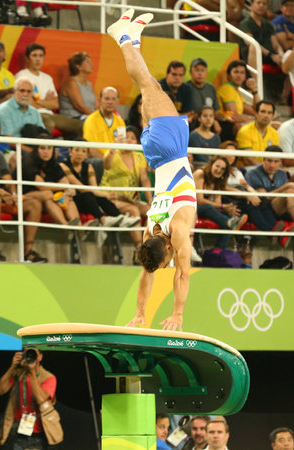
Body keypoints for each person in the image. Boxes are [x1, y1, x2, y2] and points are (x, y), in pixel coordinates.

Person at [108, 8, 196, 331]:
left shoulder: (178, 229)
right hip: (156, 155)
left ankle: (122, 36)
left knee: (148, 85)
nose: (168, 262)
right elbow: (147, 272)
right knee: (148, 91)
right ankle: (135, 39)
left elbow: (182, 273)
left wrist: (179, 315)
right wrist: (141, 314)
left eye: (168, 258)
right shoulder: (149, 235)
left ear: (169, 247)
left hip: (169, 149)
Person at [0, 121, 47, 262]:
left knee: (34, 204)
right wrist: (1, 192)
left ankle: (28, 252)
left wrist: (13, 194)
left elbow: (7, 179)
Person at [245, 146, 294, 247]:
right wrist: (288, 186)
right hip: (267, 208)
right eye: (269, 161)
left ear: (281, 162)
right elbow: (263, 198)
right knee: (290, 189)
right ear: (263, 160)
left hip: (287, 207)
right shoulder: (253, 173)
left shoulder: (282, 174)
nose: (272, 165)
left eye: (276, 161)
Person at [101, 125, 152, 259]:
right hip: (111, 197)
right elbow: (106, 165)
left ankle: (147, 246)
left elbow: (144, 179)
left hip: (130, 199)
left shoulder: (140, 157)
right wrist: (114, 147)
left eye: (132, 138)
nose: (129, 141)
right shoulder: (113, 152)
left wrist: (150, 200)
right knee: (134, 210)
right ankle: (139, 249)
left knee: (151, 211)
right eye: (126, 137)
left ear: (137, 142)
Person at [0, 348, 60, 448]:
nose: (29, 356)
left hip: (39, 434)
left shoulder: (48, 377)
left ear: (40, 357)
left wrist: (32, 373)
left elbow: (41, 400)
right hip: (16, 431)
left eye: (33, 353)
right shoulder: (18, 374)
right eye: (26, 352)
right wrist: (12, 367)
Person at [16, 43, 83, 137]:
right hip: (33, 114)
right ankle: (43, 151)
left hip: (51, 114)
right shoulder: (22, 76)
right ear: (28, 58)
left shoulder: (47, 78)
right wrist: (46, 102)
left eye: (40, 56)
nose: (38, 59)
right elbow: (27, 104)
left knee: (80, 125)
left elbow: (56, 104)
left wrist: (37, 101)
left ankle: (75, 151)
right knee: (49, 123)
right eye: (34, 55)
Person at [21, 134, 82, 227]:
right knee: (48, 194)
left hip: (46, 199)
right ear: (36, 149)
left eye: (49, 148)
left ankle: (78, 228)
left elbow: (66, 183)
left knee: (68, 198)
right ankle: (66, 227)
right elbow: (41, 186)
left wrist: (67, 192)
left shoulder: (53, 163)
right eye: (42, 148)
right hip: (24, 197)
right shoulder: (28, 162)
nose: (46, 152)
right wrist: (65, 187)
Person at [194, 156, 248, 249]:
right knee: (208, 207)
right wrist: (223, 206)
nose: (219, 170)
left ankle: (218, 250)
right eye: (217, 166)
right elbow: (200, 200)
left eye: (222, 169)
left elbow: (217, 204)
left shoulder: (218, 180)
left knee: (227, 221)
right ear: (211, 165)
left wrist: (227, 209)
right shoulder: (200, 174)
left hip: (203, 210)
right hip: (191, 209)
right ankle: (230, 223)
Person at [217, 60, 259, 139]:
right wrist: (256, 120)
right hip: (225, 125)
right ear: (228, 75)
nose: (239, 75)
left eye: (242, 73)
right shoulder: (227, 89)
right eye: (236, 72)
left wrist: (254, 90)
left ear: (245, 76)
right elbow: (234, 116)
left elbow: (256, 111)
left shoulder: (236, 92)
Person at [240, 0, 284, 70]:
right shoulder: (245, 23)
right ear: (251, 5)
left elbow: (275, 45)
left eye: (264, 4)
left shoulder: (268, 24)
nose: (261, 5)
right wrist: (271, 55)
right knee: (253, 47)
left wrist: (281, 53)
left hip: (269, 56)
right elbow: (250, 43)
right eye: (258, 3)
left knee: (290, 55)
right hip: (253, 55)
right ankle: (256, 80)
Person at [236, 100, 279, 165]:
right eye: (263, 112)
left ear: (273, 116)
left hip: (267, 169)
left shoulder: (274, 133)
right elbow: (248, 159)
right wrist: (265, 169)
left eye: (269, 113)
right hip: (247, 169)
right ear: (256, 114)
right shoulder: (245, 131)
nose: (266, 115)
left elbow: (274, 157)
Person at [186, 58, 222, 133]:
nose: (200, 73)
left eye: (202, 70)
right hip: (191, 123)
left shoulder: (211, 88)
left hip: (209, 123)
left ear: (206, 73)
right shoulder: (185, 88)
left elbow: (216, 110)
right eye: (197, 70)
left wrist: (220, 118)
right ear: (190, 72)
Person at [60, 52, 97, 121]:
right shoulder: (71, 83)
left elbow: (97, 105)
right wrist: (98, 118)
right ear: (78, 66)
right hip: (73, 118)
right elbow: (80, 107)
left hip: (89, 116)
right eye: (87, 62)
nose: (92, 64)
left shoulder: (90, 84)